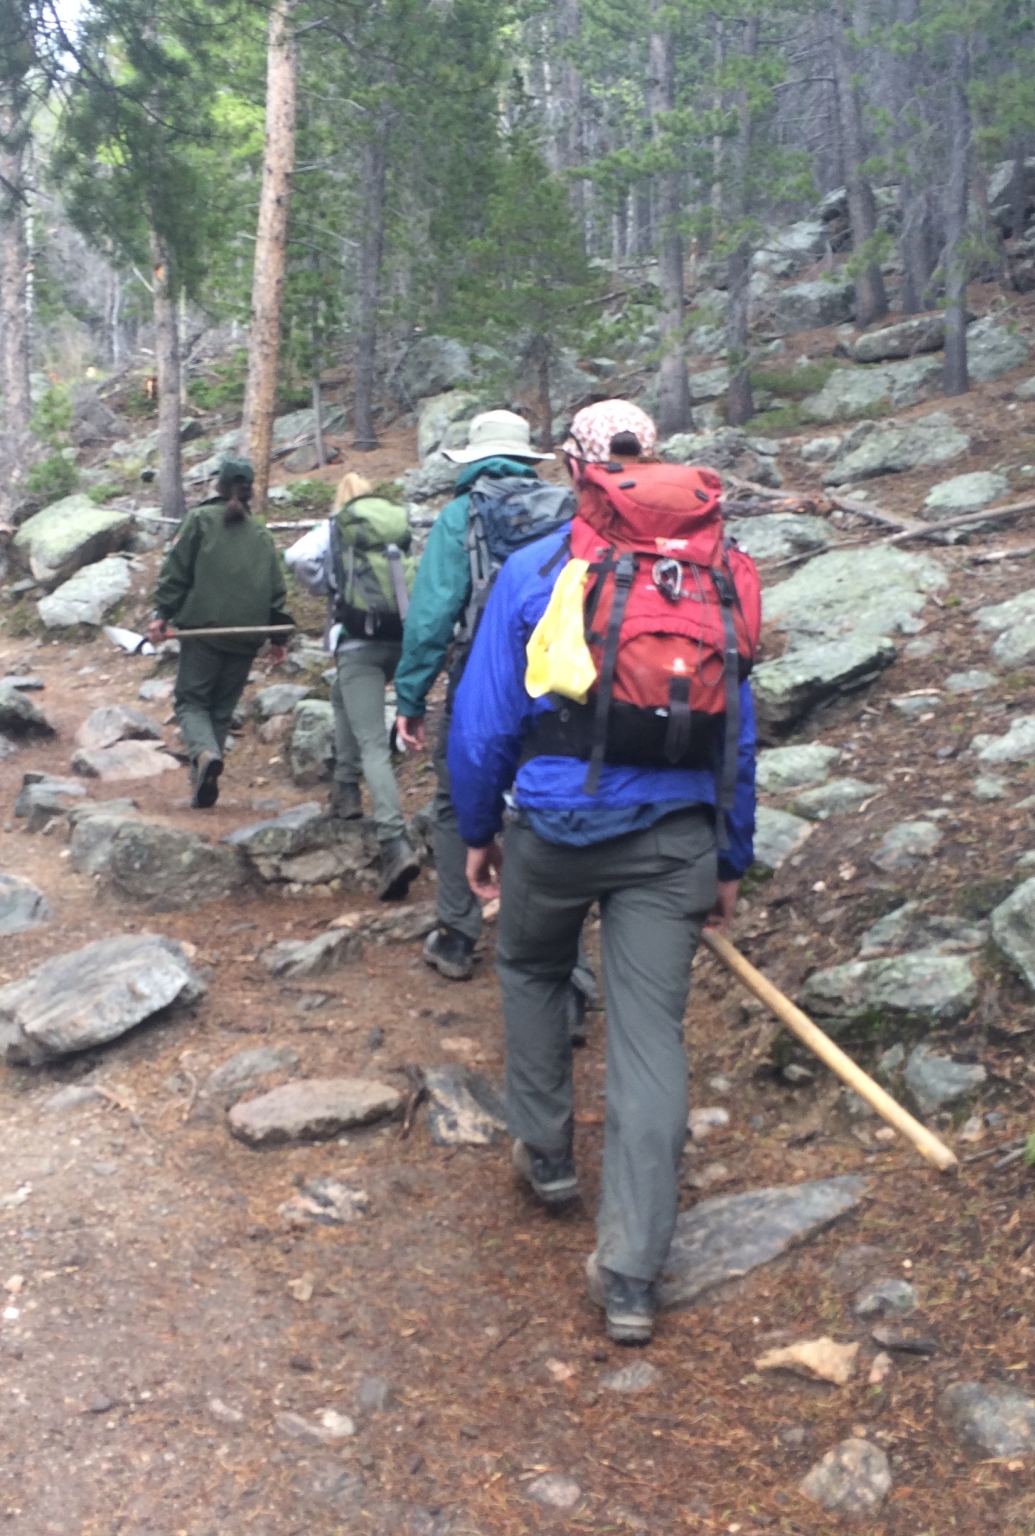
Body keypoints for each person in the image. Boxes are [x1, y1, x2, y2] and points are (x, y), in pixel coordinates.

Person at [447, 400, 760, 1346]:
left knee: (532, 964)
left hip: (553, 822)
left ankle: (546, 1153)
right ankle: (629, 1273)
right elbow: (737, 729)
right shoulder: (715, 570)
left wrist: (477, 829)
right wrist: (731, 856)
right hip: (675, 838)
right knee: (650, 1037)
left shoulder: (538, 568)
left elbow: (486, 719)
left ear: (574, 468)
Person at [393, 411, 582, 991]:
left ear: (473, 461)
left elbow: (431, 615)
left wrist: (412, 695)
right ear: (527, 458)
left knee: (456, 798)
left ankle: (456, 933)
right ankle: (569, 968)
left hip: (481, 677)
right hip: (561, 683)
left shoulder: (461, 517)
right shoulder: (571, 511)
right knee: (552, 800)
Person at [283, 472, 422, 900]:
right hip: (401, 639)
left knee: (373, 744)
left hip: (358, 643)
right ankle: (344, 791)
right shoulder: (397, 529)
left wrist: (328, 585)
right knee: (342, 696)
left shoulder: (335, 527)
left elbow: (296, 557)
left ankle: (393, 842)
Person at [147, 456, 292, 809]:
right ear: (249, 489)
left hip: (204, 632)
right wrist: (279, 638)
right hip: (247, 635)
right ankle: (202, 786)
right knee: (221, 710)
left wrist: (162, 614)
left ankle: (207, 753)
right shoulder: (260, 533)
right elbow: (277, 587)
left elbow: (176, 571)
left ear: (219, 485)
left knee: (191, 701)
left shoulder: (199, 520)